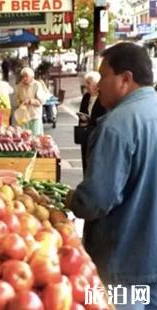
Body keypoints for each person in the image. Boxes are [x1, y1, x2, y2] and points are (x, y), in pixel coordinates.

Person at [67, 42, 157, 308]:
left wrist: (72, 199)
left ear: (126, 79)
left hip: (124, 268)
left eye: (104, 76)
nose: (96, 87)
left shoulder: (116, 126)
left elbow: (95, 200)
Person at [76, 71, 107, 175]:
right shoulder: (86, 97)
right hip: (85, 134)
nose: (86, 85)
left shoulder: (104, 98)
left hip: (97, 134)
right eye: (86, 83)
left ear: (97, 84)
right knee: (85, 161)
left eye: (88, 83)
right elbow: (82, 111)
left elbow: (104, 116)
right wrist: (82, 119)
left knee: (95, 163)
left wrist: (90, 120)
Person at [15, 67, 45, 136]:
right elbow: (17, 98)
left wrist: (30, 101)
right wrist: (20, 103)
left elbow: (41, 102)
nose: (24, 78)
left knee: (35, 138)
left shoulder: (37, 85)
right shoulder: (20, 86)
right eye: (23, 76)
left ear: (32, 77)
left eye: (26, 76)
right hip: (24, 117)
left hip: (34, 116)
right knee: (25, 137)